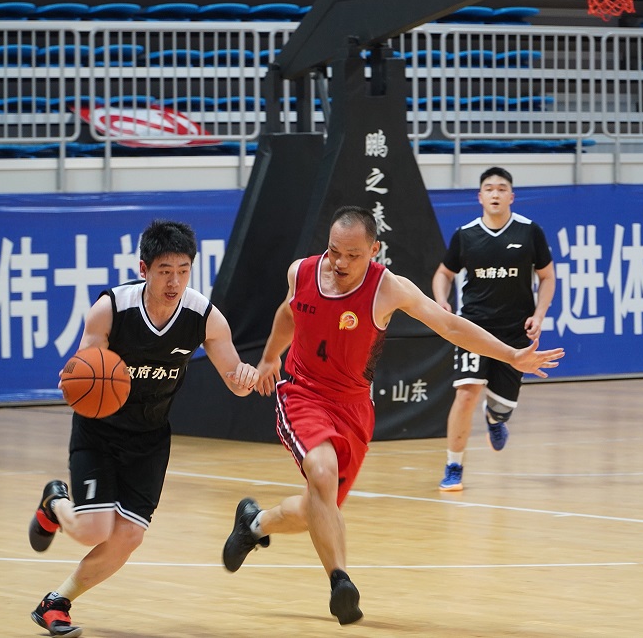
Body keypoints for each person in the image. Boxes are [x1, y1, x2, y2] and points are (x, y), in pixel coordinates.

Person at [221, 206, 564, 624]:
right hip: (302, 393)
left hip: (353, 408)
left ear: (374, 250)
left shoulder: (389, 288)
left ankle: (254, 524)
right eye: (334, 251)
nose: (340, 262)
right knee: (322, 474)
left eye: (352, 255)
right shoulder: (303, 272)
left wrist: (511, 355)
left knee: (319, 507)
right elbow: (288, 312)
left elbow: (451, 326)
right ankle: (341, 583)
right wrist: (270, 358)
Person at [27, 219, 259, 637]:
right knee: (92, 530)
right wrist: (74, 380)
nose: (175, 281)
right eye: (165, 271)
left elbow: (234, 377)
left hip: (149, 438)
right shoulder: (111, 309)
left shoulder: (204, 316)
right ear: (143, 269)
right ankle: (55, 503)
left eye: (183, 270)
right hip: (99, 431)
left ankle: (56, 603)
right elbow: (85, 368)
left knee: (129, 537)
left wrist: (244, 377)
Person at [431, 166, 557, 492]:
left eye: (502, 189)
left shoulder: (530, 232)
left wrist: (539, 314)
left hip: (515, 333)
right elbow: (443, 273)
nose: (495, 194)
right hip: (472, 328)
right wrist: (441, 300)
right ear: (480, 197)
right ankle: (454, 465)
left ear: (511, 196)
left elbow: (547, 277)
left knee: (502, 408)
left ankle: (495, 419)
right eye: (489, 189)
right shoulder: (465, 234)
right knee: (466, 393)